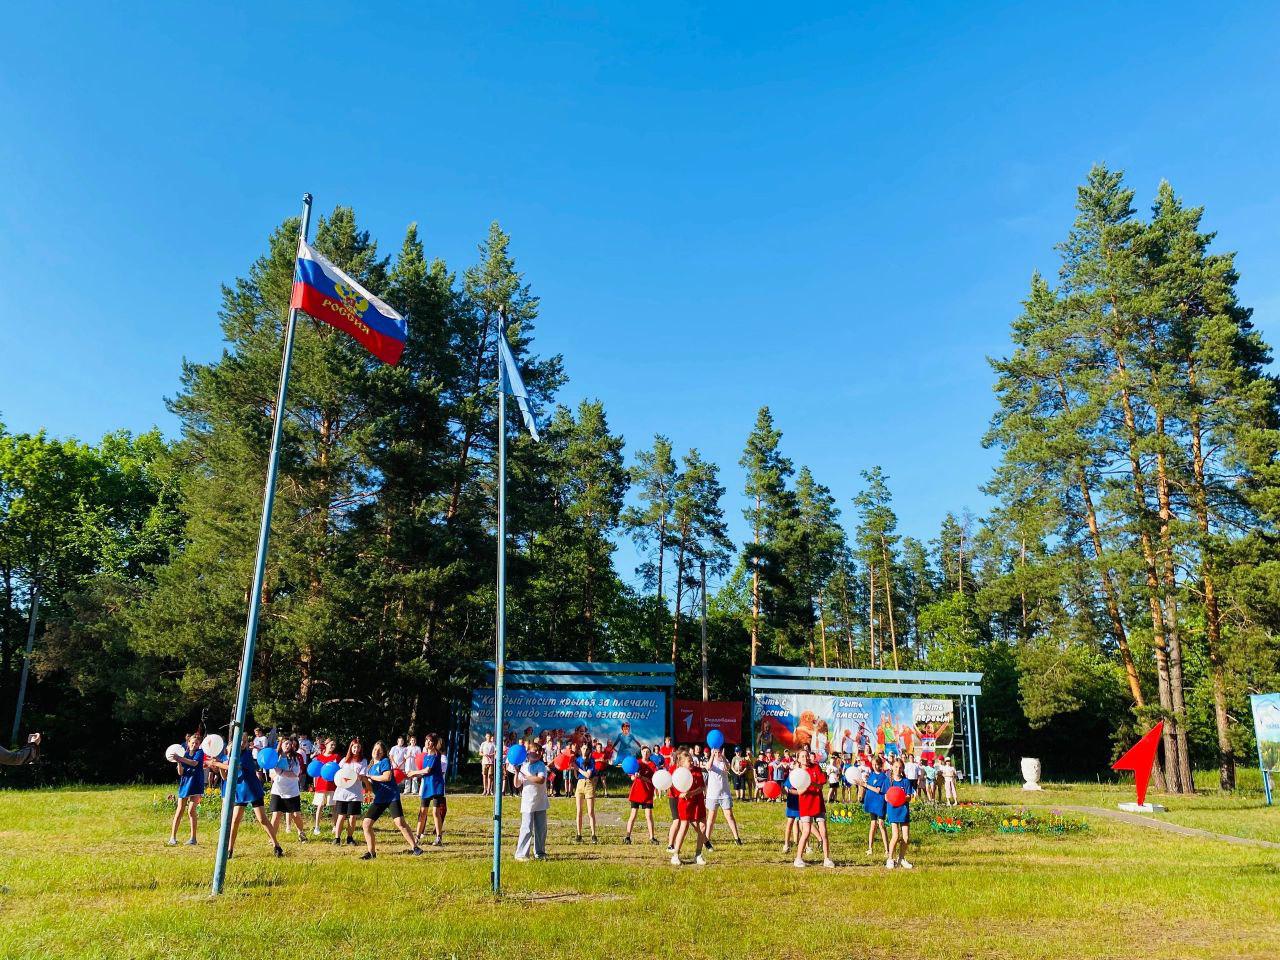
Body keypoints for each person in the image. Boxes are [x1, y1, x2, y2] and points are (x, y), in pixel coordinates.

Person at [208, 732, 282, 858]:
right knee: (235, 821)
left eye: (245, 741)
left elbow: (234, 767)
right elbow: (226, 777)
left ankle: (277, 846)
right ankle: (229, 850)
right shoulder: (228, 758)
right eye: (240, 741)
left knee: (262, 819)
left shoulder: (247, 755)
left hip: (253, 790)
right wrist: (220, 767)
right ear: (234, 742)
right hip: (240, 792)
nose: (242, 743)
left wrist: (216, 763)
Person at [360, 741, 421, 860]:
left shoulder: (385, 762)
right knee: (366, 824)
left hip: (391, 797)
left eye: (379, 750)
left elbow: (387, 777)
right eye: (375, 749)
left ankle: (415, 847)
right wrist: (365, 780)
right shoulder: (370, 768)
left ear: (383, 753)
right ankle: (371, 853)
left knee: (400, 823)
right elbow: (371, 788)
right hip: (379, 799)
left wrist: (370, 777)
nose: (376, 752)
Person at [790, 748, 834, 868]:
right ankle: (798, 858)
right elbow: (798, 791)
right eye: (802, 756)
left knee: (824, 832)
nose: (806, 758)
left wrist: (811, 783)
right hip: (805, 804)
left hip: (818, 803)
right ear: (798, 759)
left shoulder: (815, 767)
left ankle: (827, 859)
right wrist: (805, 785)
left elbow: (820, 785)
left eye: (807, 755)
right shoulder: (797, 772)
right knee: (806, 831)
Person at [408, 734, 447, 847]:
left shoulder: (436, 755)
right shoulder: (425, 757)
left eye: (430, 741)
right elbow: (423, 773)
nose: (428, 742)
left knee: (435, 812)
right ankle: (417, 837)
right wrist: (411, 775)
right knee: (422, 812)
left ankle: (439, 837)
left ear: (434, 743)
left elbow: (426, 770)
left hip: (436, 787)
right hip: (426, 787)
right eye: (426, 740)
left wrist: (413, 773)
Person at [669, 751, 708, 866]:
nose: (691, 762)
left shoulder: (697, 770)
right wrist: (680, 794)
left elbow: (702, 787)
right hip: (685, 803)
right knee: (684, 826)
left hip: (698, 802)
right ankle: (675, 855)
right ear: (681, 763)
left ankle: (698, 855)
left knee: (702, 826)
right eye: (688, 760)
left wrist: (691, 793)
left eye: (691, 759)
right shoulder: (677, 773)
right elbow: (674, 789)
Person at [268, 736, 309, 842]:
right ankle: (272, 838)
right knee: (276, 815)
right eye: (285, 743)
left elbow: (295, 774)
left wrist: (281, 772)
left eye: (290, 744)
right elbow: (271, 773)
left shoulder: (295, 758)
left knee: (296, 815)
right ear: (280, 744)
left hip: (292, 791)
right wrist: (275, 774)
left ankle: (301, 832)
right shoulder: (274, 757)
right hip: (277, 790)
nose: (288, 745)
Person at [513, 742, 549, 861]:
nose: (538, 753)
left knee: (541, 829)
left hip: (540, 802)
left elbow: (541, 780)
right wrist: (517, 772)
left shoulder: (541, 765)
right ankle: (521, 854)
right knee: (526, 828)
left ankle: (540, 852)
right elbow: (517, 784)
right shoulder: (523, 766)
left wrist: (526, 776)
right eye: (535, 751)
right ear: (528, 753)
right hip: (528, 802)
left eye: (540, 751)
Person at [168, 732, 205, 846]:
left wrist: (180, 758)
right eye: (193, 743)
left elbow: (194, 763)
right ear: (188, 743)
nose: (195, 744)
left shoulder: (200, 752)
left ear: (199, 745)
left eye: (197, 743)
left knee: (191, 811)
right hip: (185, 784)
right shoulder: (183, 754)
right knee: (179, 810)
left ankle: (193, 838)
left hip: (196, 784)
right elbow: (180, 772)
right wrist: (178, 762)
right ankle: (172, 838)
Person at [331, 738, 368, 847]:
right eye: (354, 747)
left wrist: (354, 776)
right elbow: (338, 774)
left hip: (355, 793)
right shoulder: (344, 761)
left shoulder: (363, 761)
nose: (356, 749)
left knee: (352, 816)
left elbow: (361, 776)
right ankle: (337, 838)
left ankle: (349, 838)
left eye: (358, 747)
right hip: (342, 792)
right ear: (351, 748)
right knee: (341, 816)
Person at [703, 745, 742, 847]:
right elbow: (708, 767)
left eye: (718, 751)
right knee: (711, 818)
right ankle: (706, 840)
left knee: (729, 816)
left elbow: (727, 767)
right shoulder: (711, 762)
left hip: (725, 794)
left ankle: (737, 838)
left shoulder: (724, 761)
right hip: (712, 795)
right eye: (716, 752)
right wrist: (712, 755)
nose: (717, 753)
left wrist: (723, 757)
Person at [884, 756, 916, 869]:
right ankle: (890, 859)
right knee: (895, 836)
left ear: (903, 769)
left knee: (906, 837)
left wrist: (903, 797)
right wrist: (889, 798)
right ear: (892, 767)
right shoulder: (888, 781)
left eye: (900, 767)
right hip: (893, 811)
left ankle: (901, 859)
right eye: (896, 767)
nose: (898, 769)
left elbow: (910, 796)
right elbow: (886, 796)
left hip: (903, 810)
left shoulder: (906, 782)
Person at [623, 746, 659, 845]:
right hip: (636, 792)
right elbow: (632, 778)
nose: (645, 753)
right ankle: (627, 837)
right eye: (644, 751)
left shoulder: (652, 765)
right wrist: (635, 776)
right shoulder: (636, 762)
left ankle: (652, 838)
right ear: (641, 752)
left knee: (649, 816)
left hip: (647, 793)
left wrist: (642, 777)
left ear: (650, 754)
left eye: (647, 752)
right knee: (633, 815)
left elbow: (653, 781)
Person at [862, 754, 890, 858]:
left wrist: (865, 785)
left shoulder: (883, 777)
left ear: (880, 765)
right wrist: (863, 784)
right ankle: (870, 848)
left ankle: (887, 850)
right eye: (873, 764)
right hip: (871, 802)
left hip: (880, 802)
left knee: (881, 824)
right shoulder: (872, 775)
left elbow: (878, 790)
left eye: (877, 764)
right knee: (873, 825)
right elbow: (868, 787)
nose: (875, 766)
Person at [311, 737, 340, 836]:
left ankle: (335, 826)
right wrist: (314, 785)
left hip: (332, 785)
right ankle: (317, 827)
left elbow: (339, 771)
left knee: (333, 807)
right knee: (320, 806)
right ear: (326, 745)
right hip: (321, 785)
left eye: (334, 745)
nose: (333, 746)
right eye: (331, 744)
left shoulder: (336, 757)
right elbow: (315, 771)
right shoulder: (319, 757)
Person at [572, 742, 598, 843]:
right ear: (580, 750)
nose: (585, 750)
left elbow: (588, 775)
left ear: (589, 751)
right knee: (579, 811)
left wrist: (577, 768)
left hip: (589, 784)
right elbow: (576, 776)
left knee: (590, 812)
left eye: (587, 749)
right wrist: (574, 768)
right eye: (583, 748)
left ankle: (593, 835)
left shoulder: (591, 760)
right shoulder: (577, 760)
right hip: (579, 785)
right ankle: (579, 834)